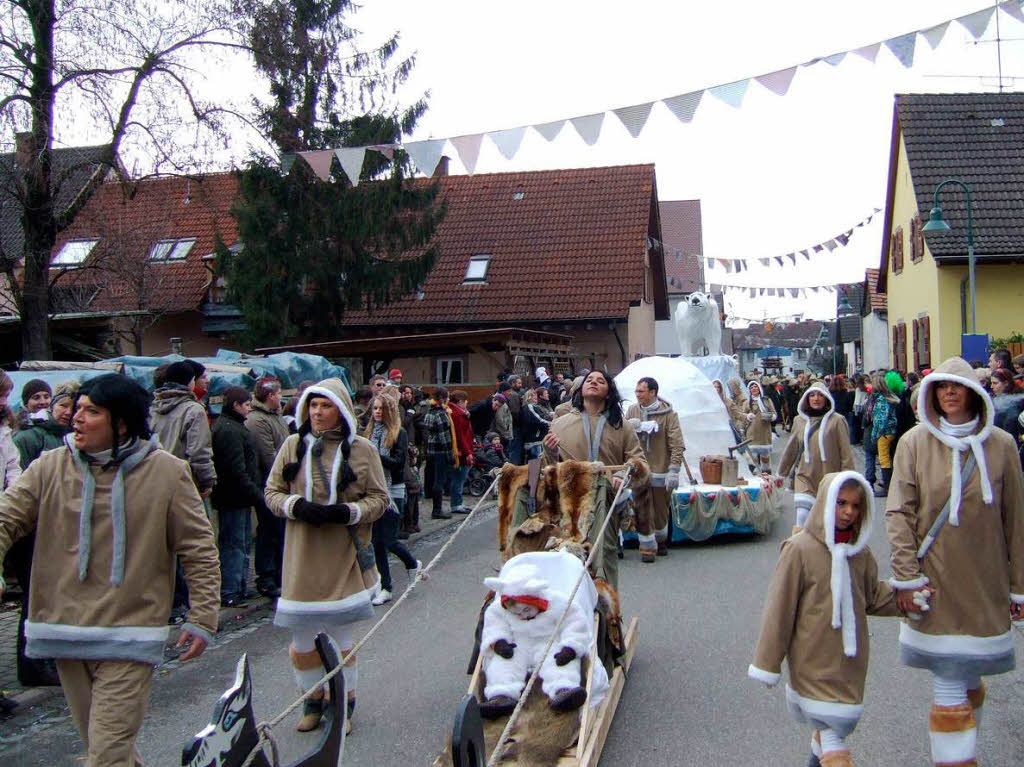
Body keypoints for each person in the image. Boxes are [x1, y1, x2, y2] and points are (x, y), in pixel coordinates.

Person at [0, 374, 219, 766]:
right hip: (65, 628)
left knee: (106, 754)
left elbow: (198, 548)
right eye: (77, 408)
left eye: (91, 411)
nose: (77, 418)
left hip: (130, 631)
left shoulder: (167, 472)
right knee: (103, 747)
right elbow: (6, 518)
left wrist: (203, 615)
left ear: (120, 423)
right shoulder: (50, 466)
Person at [885, 357, 1024, 767]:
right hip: (935, 581)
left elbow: (1016, 520)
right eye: (941, 387)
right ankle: (956, 761)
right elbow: (899, 513)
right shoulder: (913, 443)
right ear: (930, 395)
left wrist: (1019, 585)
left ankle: (965, 745)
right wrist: (907, 577)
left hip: (986, 581)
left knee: (969, 676)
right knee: (948, 680)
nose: (949, 393)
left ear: (974, 394)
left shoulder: (1000, 445)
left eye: (957, 387)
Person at [264, 378, 390, 734]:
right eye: (313, 406)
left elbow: (380, 499)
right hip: (301, 554)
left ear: (341, 409)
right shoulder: (292, 445)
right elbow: (272, 491)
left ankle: (343, 704)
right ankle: (312, 699)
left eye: (325, 406)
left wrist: (347, 512)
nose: (317, 413)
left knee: (340, 638)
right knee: (302, 639)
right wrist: (295, 505)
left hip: (342, 555)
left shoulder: (362, 449)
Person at [749, 471, 899, 767]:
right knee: (833, 740)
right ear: (826, 502)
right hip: (812, 661)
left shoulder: (861, 554)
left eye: (856, 506)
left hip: (850, 664)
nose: (848, 512)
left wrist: (909, 598)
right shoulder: (799, 549)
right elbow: (779, 609)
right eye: (841, 503)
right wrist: (768, 663)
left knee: (827, 735)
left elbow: (871, 597)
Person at [542, 370, 649, 589]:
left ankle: (608, 610)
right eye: (590, 380)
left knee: (604, 552)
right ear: (580, 389)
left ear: (609, 392)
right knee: (566, 553)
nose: (594, 383)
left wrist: (623, 474)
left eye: (600, 381)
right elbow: (549, 469)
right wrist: (549, 451)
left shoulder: (622, 425)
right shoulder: (560, 424)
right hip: (569, 503)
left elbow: (638, 461)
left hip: (606, 501)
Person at [149, 360, 216, 623]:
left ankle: (167, 602)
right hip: (185, 484)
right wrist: (207, 481)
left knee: (164, 547)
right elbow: (199, 451)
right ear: (189, 382)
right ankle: (195, 604)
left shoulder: (153, 408)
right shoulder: (193, 409)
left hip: (154, 482)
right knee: (195, 545)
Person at [363, 395, 420, 605]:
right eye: (375, 408)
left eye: (381, 409)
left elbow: (398, 463)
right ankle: (384, 585)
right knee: (376, 542)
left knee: (387, 540)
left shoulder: (399, 433)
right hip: (372, 490)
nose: (377, 412)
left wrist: (376, 456)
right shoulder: (367, 433)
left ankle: (411, 563)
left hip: (392, 490)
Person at [777, 381, 855, 534]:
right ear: (806, 399)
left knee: (827, 522)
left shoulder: (837, 421)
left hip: (830, 477)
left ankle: (824, 551)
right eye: (812, 395)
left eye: (820, 395)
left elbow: (846, 453)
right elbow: (791, 449)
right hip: (804, 476)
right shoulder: (799, 421)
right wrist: (781, 473)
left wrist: (849, 479)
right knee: (802, 516)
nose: (816, 398)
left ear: (826, 398)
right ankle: (799, 551)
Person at [212, 386, 264, 607]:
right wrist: (255, 493)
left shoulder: (233, 427)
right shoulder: (228, 429)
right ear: (236, 405)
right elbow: (235, 469)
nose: (249, 408)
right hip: (233, 497)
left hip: (239, 496)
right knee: (233, 544)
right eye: (246, 404)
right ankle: (230, 590)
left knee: (241, 543)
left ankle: (240, 586)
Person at [626, 376, 685, 562]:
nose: (638, 395)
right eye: (636, 391)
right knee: (641, 507)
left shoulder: (669, 414)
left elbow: (677, 443)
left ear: (653, 392)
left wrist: (674, 469)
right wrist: (631, 426)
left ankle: (660, 540)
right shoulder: (632, 410)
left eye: (641, 391)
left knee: (660, 510)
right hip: (638, 469)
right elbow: (622, 436)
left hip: (660, 469)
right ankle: (647, 547)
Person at [246, 377, 290, 598]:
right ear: (271, 395)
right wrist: (289, 469)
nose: (281, 397)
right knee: (269, 531)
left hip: (284, 484)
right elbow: (269, 456)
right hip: (269, 484)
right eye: (279, 393)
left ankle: (281, 573)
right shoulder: (257, 420)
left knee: (280, 531)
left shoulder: (276, 416)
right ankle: (266, 576)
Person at [422, 388, 455, 520]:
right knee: (439, 481)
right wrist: (449, 454)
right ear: (442, 398)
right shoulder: (440, 414)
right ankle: (437, 510)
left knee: (434, 478)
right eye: (447, 397)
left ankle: (436, 508)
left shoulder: (430, 412)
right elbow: (444, 436)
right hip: (440, 451)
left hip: (431, 449)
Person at [869, 373, 900, 496]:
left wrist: (875, 435)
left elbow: (880, 420)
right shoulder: (889, 397)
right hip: (891, 431)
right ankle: (888, 484)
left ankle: (887, 487)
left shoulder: (881, 400)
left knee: (884, 459)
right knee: (888, 458)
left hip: (884, 433)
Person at [738, 380, 776, 472]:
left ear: (759, 388)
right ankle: (755, 476)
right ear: (749, 390)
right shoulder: (747, 403)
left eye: (755, 386)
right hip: (752, 434)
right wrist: (743, 427)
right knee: (752, 458)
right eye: (751, 387)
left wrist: (771, 417)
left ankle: (766, 476)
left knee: (765, 458)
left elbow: (774, 413)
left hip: (764, 433)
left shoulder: (767, 400)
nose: (753, 388)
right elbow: (742, 417)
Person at [448, 390, 475, 514]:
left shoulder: (458, 413)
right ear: (459, 402)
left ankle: (457, 502)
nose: (466, 404)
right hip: (461, 452)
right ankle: (456, 504)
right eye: (465, 401)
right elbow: (460, 436)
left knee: (459, 478)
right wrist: (468, 452)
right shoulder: (457, 415)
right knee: (459, 478)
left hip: (463, 449)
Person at [520, 388, 552, 461]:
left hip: (535, 440)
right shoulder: (529, 406)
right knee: (537, 464)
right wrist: (550, 424)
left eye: (535, 395)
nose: (535, 397)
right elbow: (537, 420)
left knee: (535, 465)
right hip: (535, 441)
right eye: (532, 395)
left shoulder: (533, 407)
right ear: (528, 397)